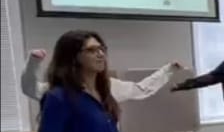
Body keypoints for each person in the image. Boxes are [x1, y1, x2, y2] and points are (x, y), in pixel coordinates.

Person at [21, 50, 183, 103]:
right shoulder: (59, 90)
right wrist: (33, 63)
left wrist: (168, 70)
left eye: (101, 50)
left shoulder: (110, 86)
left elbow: (142, 89)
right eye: (92, 51)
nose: (100, 55)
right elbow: (30, 88)